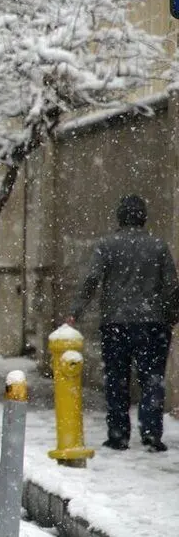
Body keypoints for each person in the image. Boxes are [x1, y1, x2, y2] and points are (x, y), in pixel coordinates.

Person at [67, 194, 179, 453]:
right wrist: (170, 316)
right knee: (152, 379)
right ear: (143, 217)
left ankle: (118, 435)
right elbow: (171, 287)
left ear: (120, 217)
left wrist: (75, 312)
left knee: (116, 379)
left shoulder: (107, 246)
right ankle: (151, 433)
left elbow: (91, 280)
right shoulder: (158, 247)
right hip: (152, 324)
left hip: (115, 323)